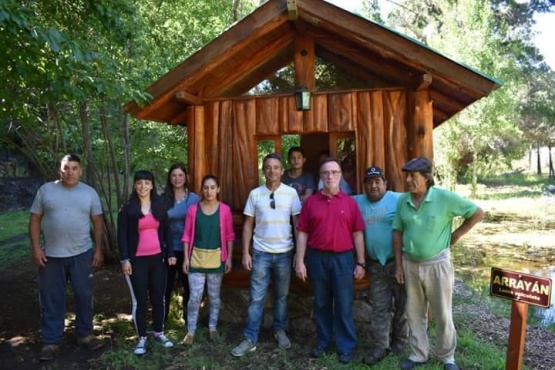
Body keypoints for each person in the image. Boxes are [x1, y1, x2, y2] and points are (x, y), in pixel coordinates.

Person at [393, 157, 484, 370]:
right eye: (407, 175)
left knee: (442, 313)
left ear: (426, 177)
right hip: (410, 264)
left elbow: (477, 212)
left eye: (413, 176)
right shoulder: (402, 201)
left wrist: (456, 235)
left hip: (437, 265)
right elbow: (397, 232)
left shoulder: (444, 198)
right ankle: (418, 354)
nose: (408, 180)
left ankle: (447, 357)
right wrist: (398, 265)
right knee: (414, 312)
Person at [29, 154, 105, 361]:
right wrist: (36, 248)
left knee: (83, 295)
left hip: (82, 254)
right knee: (52, 299)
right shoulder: (46, 190)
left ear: (80, 170)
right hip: (51, 256)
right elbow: (35, 220)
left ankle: (85, 334)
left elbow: (98, 222)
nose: (70, 172)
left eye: (74, 168)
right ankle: (51, 341)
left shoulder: (89, 193)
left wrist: (98, 250)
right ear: (59, 170)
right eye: (66, 168)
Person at [295, 158, 366, 365]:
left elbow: (358, 233)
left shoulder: (350, 203)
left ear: (340, 175)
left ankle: (346, 347)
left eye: (334, 172)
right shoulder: (310, 203)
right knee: (321, 302)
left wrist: (360, 262)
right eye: (326, 173)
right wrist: (300, 261)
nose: (330, 176)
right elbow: (302, 234)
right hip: (317, 258)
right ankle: (324, 342)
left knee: (344, 304)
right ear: (320, 177)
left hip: (343, 259)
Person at [231, 153, 301, 357]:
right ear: (264, 170)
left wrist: (298, 253)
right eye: (268, 167)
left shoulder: (291, 194)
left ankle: (280, 331)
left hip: (285, 253)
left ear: (282, 170)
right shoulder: (255, 194)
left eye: (276, 167)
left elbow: (297, 225)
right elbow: (248, 225)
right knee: (256, 298)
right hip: (260, 253)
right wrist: (245, 252)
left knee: (281, 296)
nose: (272, 171)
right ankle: (250, 337)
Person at [353, 166, 407, 365]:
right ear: (365, 185)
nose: (373, 185)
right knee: (380, 308)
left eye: (378, 181)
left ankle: (400, 342)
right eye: (369, 182)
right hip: (375, 265)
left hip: (398, 263)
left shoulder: (399, 199)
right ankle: (380, 347)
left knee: (402, 305)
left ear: (385, 183)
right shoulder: (357, 201)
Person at [118, 170, 176, 355]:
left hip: (158, 259)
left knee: (159, 298)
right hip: (137, 262)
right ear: (134, 186)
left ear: (152, 185)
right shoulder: (127, 210)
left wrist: (170, 254)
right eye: (139, 183)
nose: (143, 186)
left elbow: (167, 232)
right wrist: (125, 259)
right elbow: (122, 238)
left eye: (147, 183)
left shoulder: (159, 208)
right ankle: (142, 338)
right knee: (140, 301)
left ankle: (159, 332)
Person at [181, 175, 235, 345]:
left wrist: (229, 258)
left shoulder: (225, 210)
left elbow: (229, 236)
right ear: (201, 190)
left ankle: (212, 327)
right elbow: (187, 236)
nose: (209, 191)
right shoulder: (193, 210)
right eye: (206, 187)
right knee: (194, 297)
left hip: (216, 259)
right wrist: (185, 259)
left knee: (214, 296)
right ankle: (190, 331)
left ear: (218, 189)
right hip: (196, 259)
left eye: (212, 187)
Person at [163, 163, 200, 323]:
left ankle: (189, 322)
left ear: (186, 178)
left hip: (188, 251)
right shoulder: (161, 199)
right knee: (165, 288)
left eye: (180, 175)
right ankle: (160, 323)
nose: (177, 178)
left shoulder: (194, 199)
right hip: (167, 249)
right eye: (173, 175)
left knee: (189, 287)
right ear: (169, 178)